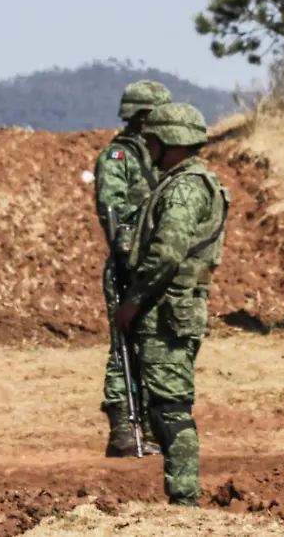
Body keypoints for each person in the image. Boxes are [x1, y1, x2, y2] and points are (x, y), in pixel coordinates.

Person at [114, 103, 229, 506]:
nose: (147, 149)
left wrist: (134, 300)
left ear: (170, 143)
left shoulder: (183, 188)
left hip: (166, 311)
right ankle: (182, 498)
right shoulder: (185, 182)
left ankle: (184, 500)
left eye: (152, 141)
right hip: (169, 310)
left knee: (170, 407)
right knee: (163, 405)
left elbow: (167, 253)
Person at [93, 80, 173, 457]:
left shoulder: (160, 155)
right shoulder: (118, 158)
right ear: (143, 117)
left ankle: (153, 425)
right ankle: (124, 428)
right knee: (124, 345)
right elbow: (112, 211)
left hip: (156, 264)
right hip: (129, 267)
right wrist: (129, 255)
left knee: (155, 344)